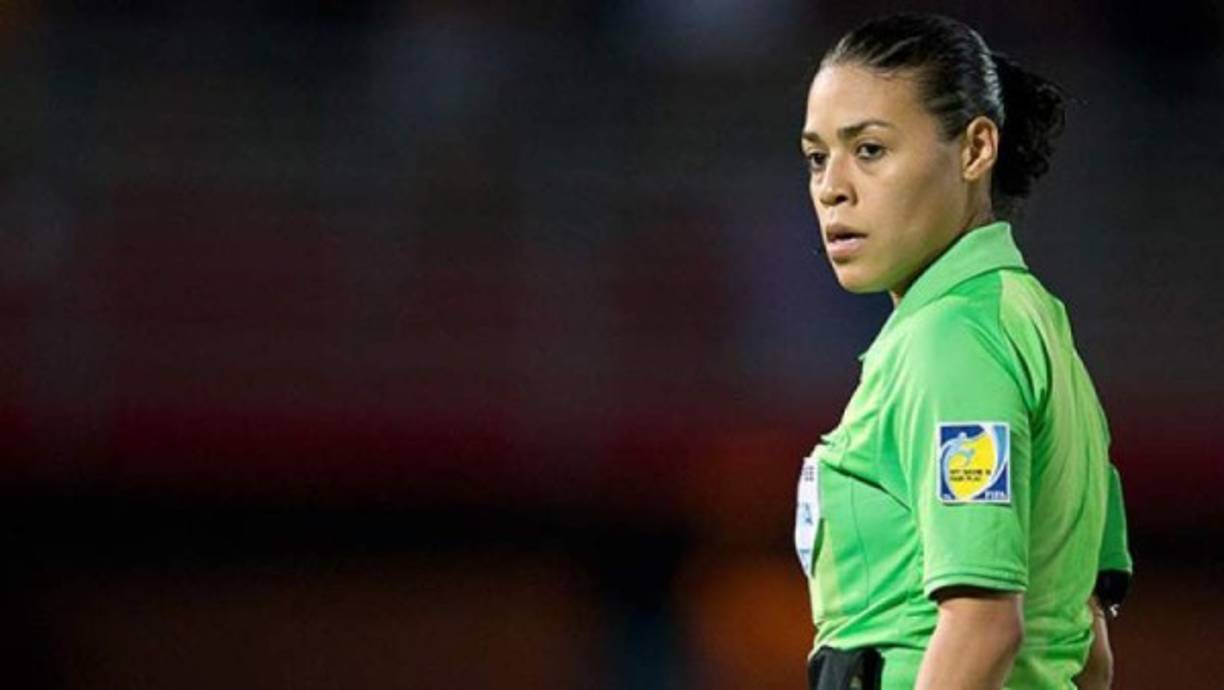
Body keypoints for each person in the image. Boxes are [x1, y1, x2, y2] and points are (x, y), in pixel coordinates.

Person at [792, 13, 1133, 690]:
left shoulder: (953, 340)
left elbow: (984, 625)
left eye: (869, 150)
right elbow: (1089, 654)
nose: (832, 186)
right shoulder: (1035, 328)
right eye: (816, 156)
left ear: (976, 148)